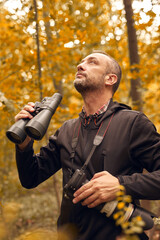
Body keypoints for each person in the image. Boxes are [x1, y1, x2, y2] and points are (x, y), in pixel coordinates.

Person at [15, 51, 160, 240]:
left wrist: (120, 185)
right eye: (81, 62)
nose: (80, 65)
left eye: (92, 62)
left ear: (110, 79)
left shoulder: (133, 123)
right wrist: (24, 145)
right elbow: (30, 178)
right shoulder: (67, 130)